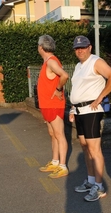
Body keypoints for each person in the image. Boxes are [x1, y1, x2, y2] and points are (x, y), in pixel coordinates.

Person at [69, 36, 111, 202]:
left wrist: (100, 98)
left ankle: (99, 186)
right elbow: (77, 89)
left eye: (83, 47)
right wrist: (72, 108)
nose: (80, 50)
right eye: (77, 48)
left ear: (90, 47)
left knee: (94, 149)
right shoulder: (78, 66)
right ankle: (91, 181)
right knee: (84, 147)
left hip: (91, 110)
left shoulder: (96, 62)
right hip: (79, 111)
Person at [37, 35, 70, 179]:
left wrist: (57, 90)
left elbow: (64, 75)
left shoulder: (51, 61)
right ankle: (55, 161)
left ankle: (62, 166)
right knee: (53, 134)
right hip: (47, 104)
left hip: (54, 104)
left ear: (41, 47)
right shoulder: (48, 61)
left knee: (59, 134)